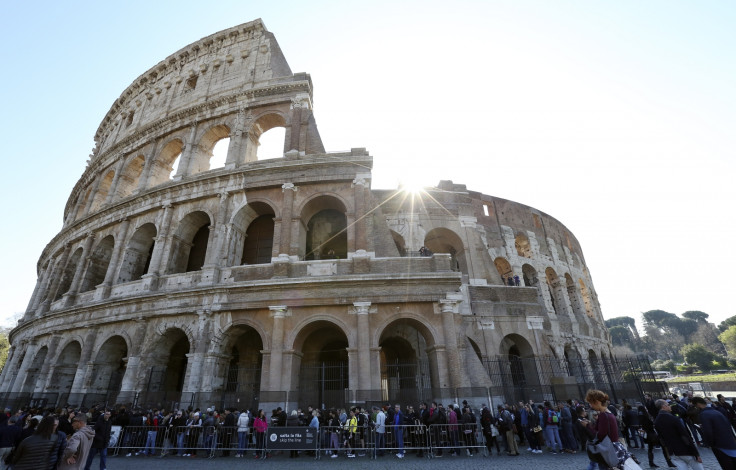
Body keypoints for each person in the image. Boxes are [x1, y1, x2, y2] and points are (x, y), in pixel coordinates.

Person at [586, 389, 641, 470]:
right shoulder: (609, 413)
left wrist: (587, 426)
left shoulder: (603, 415)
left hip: (609, 450)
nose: (590, 406)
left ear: (597, 402)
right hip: (615, 447)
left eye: (591, 403)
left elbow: (600, 436)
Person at [653, 399, 702, 470]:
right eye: (668, 405)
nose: (670, 406)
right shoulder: (673, 419)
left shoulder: (657, 421)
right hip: (685, 450)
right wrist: (696, 453)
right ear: (663, 406)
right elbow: (685, 435)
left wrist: (669, 452)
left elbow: (661, 439)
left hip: (673, 452)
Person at [692, 396, 736, 469]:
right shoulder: (716, 411)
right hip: (730, 443)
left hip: (720, 446)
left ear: (698, 404)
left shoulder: (704, 414)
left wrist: (710, 444)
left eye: (695, 406)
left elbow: (708, 432)